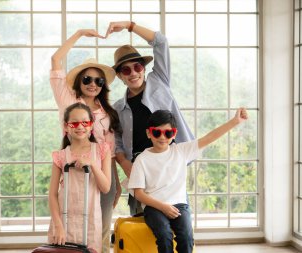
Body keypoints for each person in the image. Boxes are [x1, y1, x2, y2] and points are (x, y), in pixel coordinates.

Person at [128, 108, 248, 253]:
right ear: (149, 133)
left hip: (179, 205)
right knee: (164, 235)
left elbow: (209, 138)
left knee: (186, 237)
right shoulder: (142, 160)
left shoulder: (181, 151)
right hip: (154, 207)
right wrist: (163, 207)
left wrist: (235, 121)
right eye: (157, 132)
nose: (162, 137)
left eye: (168, 133)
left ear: (174, 134)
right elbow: (139, 193)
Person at [105, 21, 194, 215]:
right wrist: (124, 163)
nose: (133, 73)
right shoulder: (118, 108)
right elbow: (116, 141)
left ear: (143, 69)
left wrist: (130, 25)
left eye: (137, 67)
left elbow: (160, 42)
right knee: (141, 223)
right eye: (126, 70)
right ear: (120, 76)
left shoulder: (159, 81)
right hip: (140, 168)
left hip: (169, 163)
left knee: (176, 222)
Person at [50, 29, 122, 253]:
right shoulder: (68, 101)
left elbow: (109, 151)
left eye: (98, 80)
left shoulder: (108, 112)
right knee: (72, 231)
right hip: (75, 172)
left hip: (103, 174)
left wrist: (116, 183)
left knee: (99, 233)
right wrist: (79, 34)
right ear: (79, 81)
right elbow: (55, 60)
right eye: (87, 79)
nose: (93, 84)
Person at [48, 103, 112, 253]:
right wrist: (58, 226)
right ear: (66, 126)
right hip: (64, 220)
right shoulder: (61, 155)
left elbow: (105, 187)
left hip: (90, 220)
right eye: (74, 123)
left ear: (91, 125)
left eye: (85, 122)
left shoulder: (102, 150)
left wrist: (92, 164)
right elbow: (52, 194)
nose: (80, 127)